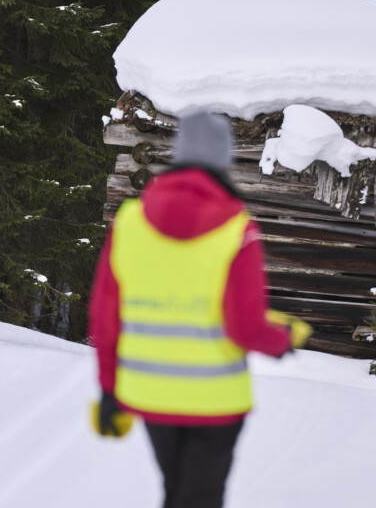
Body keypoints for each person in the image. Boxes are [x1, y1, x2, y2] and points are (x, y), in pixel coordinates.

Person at [87, 111, 311, 508]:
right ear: (223, 160)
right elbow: (244, 327)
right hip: (215, 400)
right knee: (201, 499)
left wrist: (108, 390)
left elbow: (106, 319)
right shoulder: (237, 230)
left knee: (176, 493)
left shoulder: (129, 224)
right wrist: (281, 340)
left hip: (151, 394)